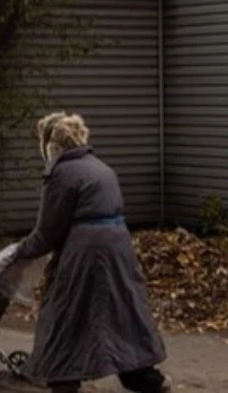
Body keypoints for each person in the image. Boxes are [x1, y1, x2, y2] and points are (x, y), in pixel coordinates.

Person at [12, 112, 169, 393]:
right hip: (118, 249)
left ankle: (64, 380)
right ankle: (146, 380)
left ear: (51, 145)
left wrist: (18, 252)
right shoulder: (102, 168)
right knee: (122, 313)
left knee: (66, 314)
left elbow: (47, 233)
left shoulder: (61, 174)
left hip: (85, 253)